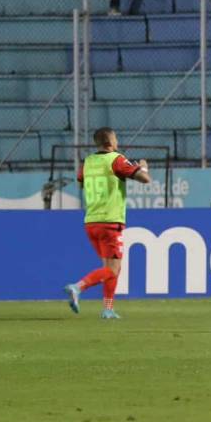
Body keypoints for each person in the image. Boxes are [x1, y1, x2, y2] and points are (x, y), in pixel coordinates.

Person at [62, 127, 152, 319]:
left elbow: (80, 181)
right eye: (116, 138)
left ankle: (108, 309)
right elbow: (145, 179)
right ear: (111, 141)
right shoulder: (116, 159)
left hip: (91, 222)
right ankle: (78, 287)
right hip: (110, 222)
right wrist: (143, 166)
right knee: (112, 268)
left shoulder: (87, 162)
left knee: (110, 268)